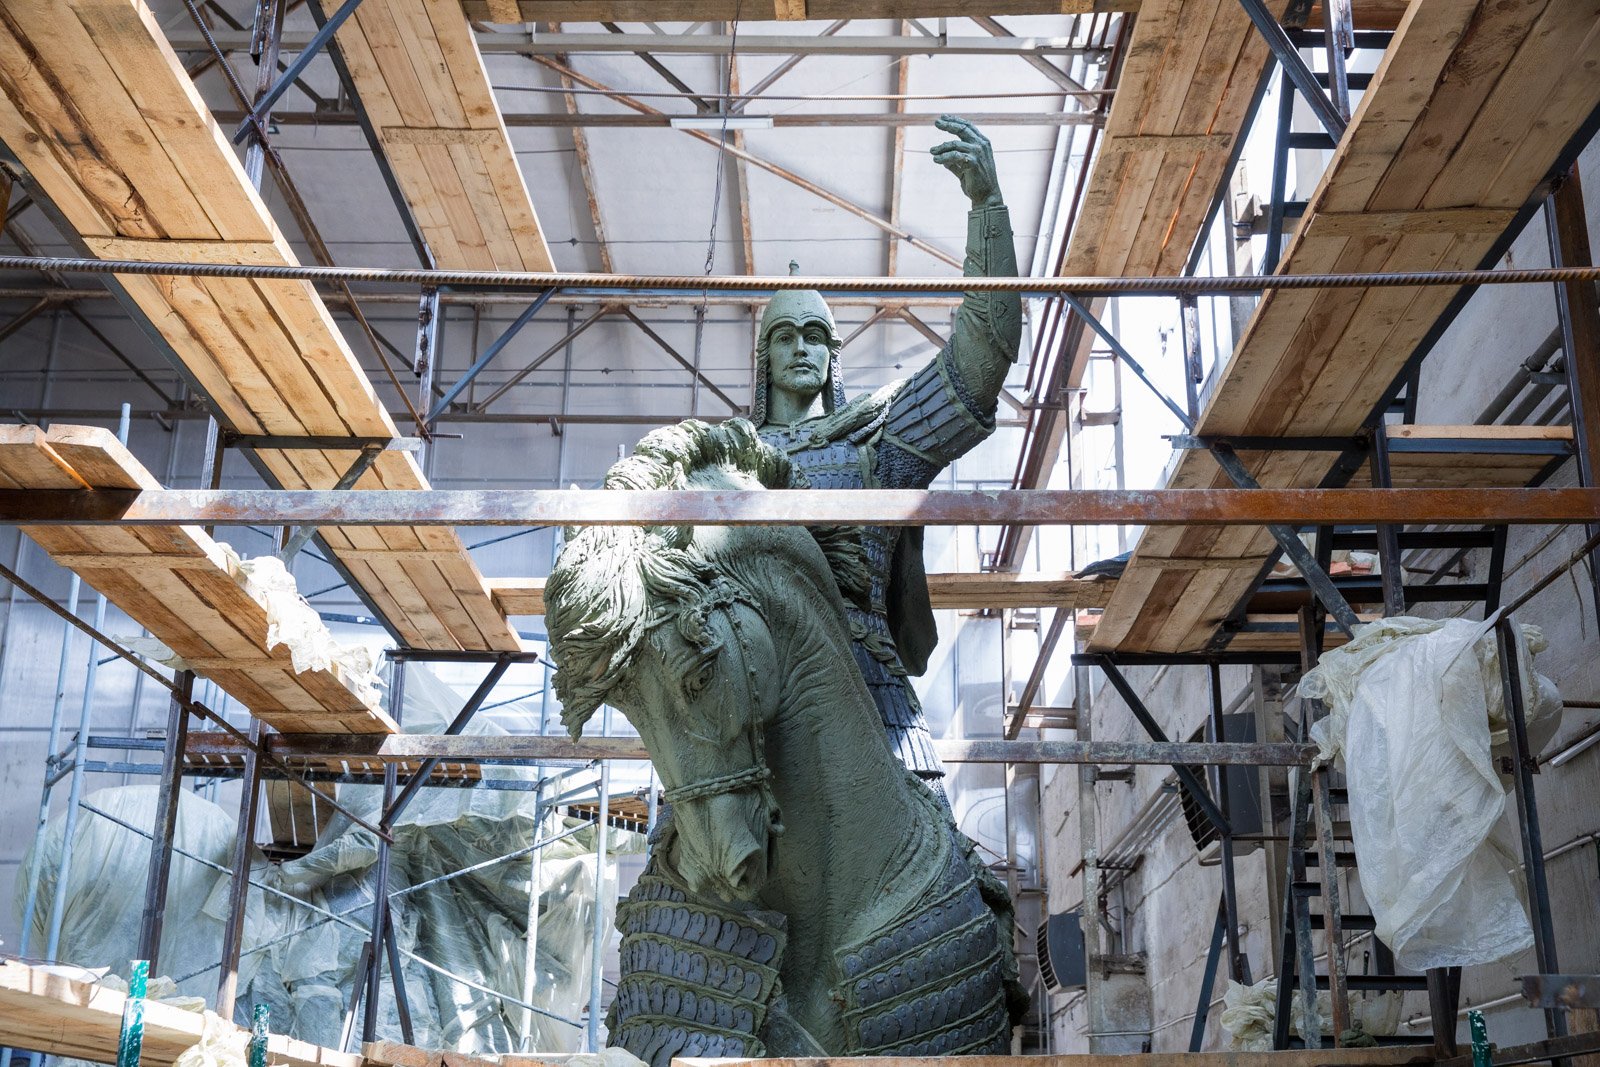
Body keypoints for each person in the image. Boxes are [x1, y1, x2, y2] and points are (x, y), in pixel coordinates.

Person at [751, 115, 1021, 793]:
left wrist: (987, 210)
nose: (802, 347)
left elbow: (979, 363)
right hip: (752, 693)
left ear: (832, 353)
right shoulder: (727, 458)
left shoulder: (877, 440)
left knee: (936, 850)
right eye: (786, 336)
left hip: (869, 682)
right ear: (765, 357)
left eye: (816, 334)